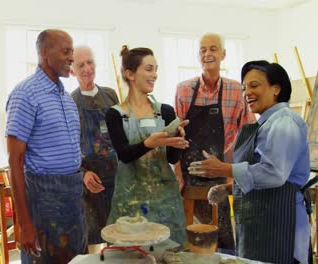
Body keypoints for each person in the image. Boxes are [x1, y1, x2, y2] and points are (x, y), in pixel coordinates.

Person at [188, 60, 311, 263]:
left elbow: (274, 173)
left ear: (276, 88)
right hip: (260, 223)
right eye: (244, 88)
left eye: (254, 86)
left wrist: (225, 168)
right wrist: (229, 188)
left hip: (280, 225)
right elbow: (259, 171)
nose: (247, 93)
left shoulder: (283, 122)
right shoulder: (264, 123)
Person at [5, 29, 86, 264]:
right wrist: (25, 223)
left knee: (77, 260)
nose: (72, 57)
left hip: (73, 199)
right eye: (65, 51)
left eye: (72, 51)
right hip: (43, 201)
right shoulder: (25, 94)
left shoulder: (66, 99)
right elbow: (14, 161)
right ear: (44, 53)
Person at [174, 32, 256, 253]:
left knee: (222, 240)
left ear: (223, 54)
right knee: (189, 243)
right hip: (189, 174)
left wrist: (234, 171)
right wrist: (179, 178)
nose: (207, 54)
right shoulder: (184, 89)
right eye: (203, 50)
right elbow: (176, 137)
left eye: (213, 49)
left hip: (220, 174)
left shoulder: (236, 90)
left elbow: (249, 133)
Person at [105, 45, 189, 244]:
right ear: (130, 74)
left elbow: (171, 158)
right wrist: (149, 143)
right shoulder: (116, 114)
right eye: (149, 69)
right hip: (131, 204)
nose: (155, 75)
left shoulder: (165, 111)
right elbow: (124, 154)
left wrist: (178, 141)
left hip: (165, 201)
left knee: (169, 255)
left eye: (156, 69)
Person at [70, 46, 119, 252]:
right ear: (72, 71)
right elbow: (69, 147)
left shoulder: (110, 96)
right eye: (80, 65)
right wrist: (83, 174)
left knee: (118, 240)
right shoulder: (70, 102)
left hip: (116, 179)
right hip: (89, 184)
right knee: (90, 243)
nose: (87, 68)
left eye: (90, 62)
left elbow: (122, 136)